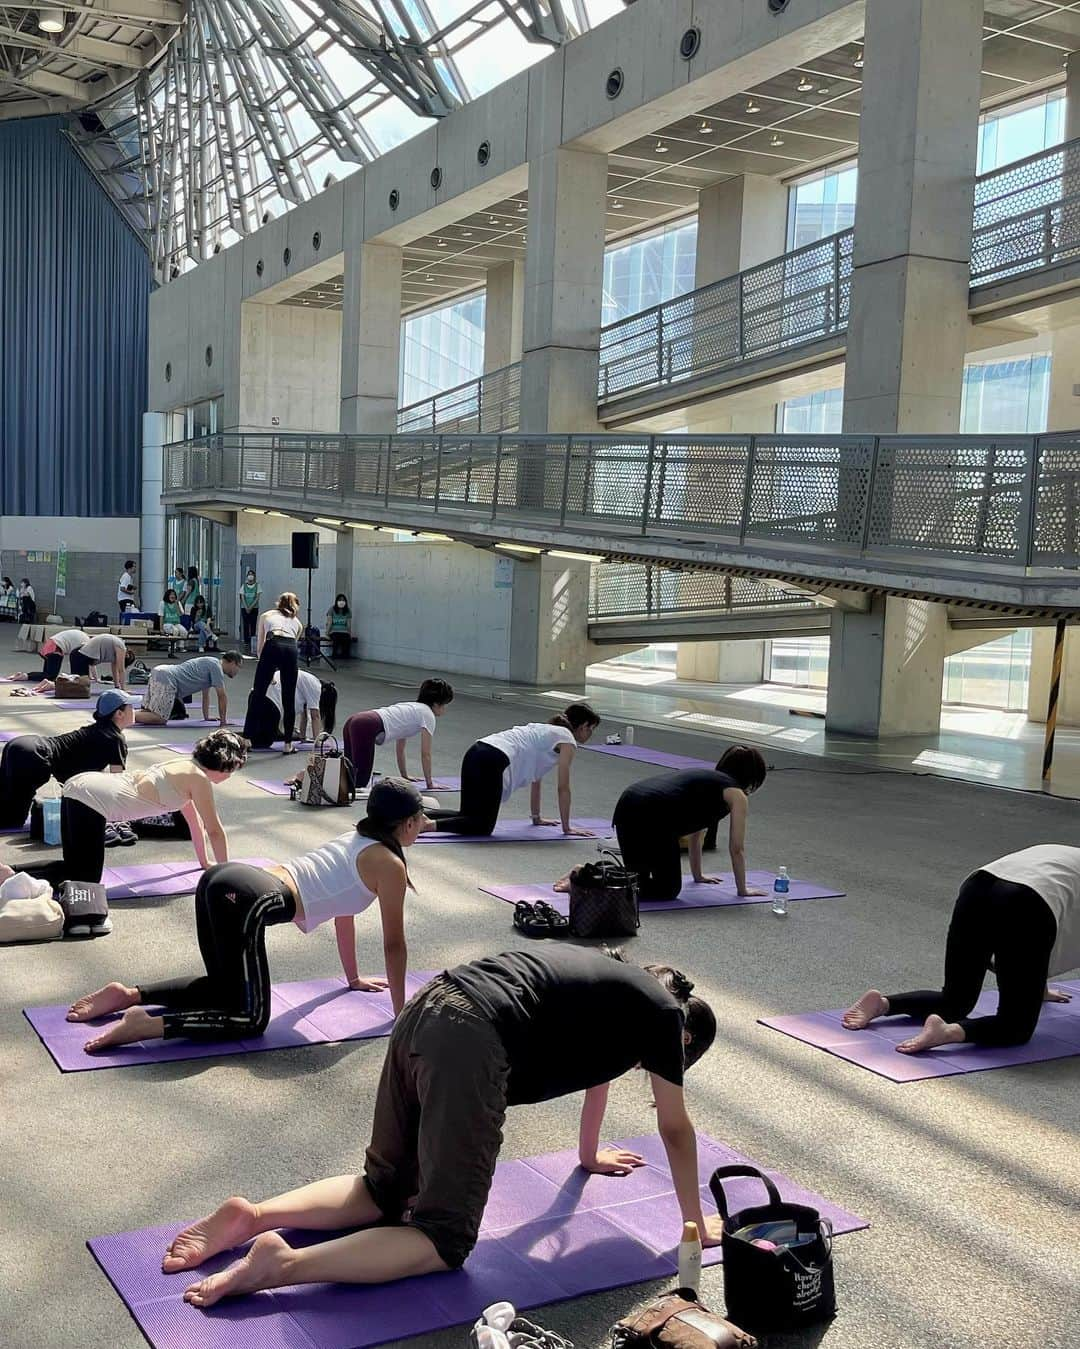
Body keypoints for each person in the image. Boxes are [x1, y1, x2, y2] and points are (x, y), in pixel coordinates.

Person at [150, 946, 718, 1308]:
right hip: (473, 1043)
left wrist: (589, 1155)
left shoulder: (615, 986)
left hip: (432, 1006)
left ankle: (254, 1215)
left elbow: (599, 1076)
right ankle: (284, 1265)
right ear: (685, 1040)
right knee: (443, 1238)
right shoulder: (664, 1018)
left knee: (384, 1189)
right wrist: (694, 1224)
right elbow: (676, 1128)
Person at [64, 777, 424, 1054]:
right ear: (407, 823)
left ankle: (129, 994)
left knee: (225, 989)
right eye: (421, 819)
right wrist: (401, 1015)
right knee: (249, 1019)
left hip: (225, 880)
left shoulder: (358, 837)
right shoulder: (389, 865)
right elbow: (394, 945)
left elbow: (344, 913)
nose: (424, 825)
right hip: (252, 899)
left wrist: (354, 978)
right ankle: (149, 1025)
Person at [843, 844, 1080, 1054]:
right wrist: (1030, 982)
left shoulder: (1066, 854)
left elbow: (1059, 907)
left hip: (978, 887)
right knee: (1016, 1027)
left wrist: (1036, 986)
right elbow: (1051, 928)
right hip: (1026, 904)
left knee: (955, 1000)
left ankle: (882, 1004)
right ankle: (947, 1032)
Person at [9, 730, 246, 888]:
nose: (232, 775)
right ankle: (9, 876)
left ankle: (8, 872)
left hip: (82, 786)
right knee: (85, 877)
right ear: (226, 764)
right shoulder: (198, 779)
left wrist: (206, 863)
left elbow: (197, 825)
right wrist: (226, 877)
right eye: (234, 768)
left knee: (75, 868)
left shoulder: (185, 768)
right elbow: (215, 830)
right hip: (92, 799)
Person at [596, 746, 769, 902]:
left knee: (635, 880)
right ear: (752, 777)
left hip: (628, 805)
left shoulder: (707, 781)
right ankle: (593, 881)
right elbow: (737, 848)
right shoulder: (736, 794)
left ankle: (587, 876)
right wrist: (742, 890)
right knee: (666, 890)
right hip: (653, 817)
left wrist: (698, 875)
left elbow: (696, 835)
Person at [426, 704, 600, 838]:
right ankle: (424, 825)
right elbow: (563, 787)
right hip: (493, 758)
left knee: (467, 815)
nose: (590, 734)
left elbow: (536, 779)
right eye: (591, 729)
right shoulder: (567, 739)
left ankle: (412, 816)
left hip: (477, 751)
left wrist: (536, 817)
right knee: (481, 826)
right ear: (584, 726)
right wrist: (567, 827)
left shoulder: (546, 731)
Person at [0, 690, 133, 830]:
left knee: (5, 797)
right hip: (34, 755)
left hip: (22, 744)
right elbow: (116, 781)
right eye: (131, 707)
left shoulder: (97, 730)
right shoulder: (115, 738)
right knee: (12, 820)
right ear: (119, 713)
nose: (135, 710)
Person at [342, 679, 454, 791]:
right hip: (365, 725)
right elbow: (426, 754)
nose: (445, 710)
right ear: (436, 704)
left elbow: (400, 749)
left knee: (347, 773)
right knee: (359, 782)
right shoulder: (428, 715)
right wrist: (430, 783)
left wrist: (404, 775)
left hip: (354, 720)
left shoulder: (411, 708)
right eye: (444, 705)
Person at [246, 593, 304, 755]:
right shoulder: (298, 623)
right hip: (290, 648)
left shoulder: (266, 615)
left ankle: (247, 738)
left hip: (273, 644)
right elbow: (292, 643)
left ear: (278, 603)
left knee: (258, 693)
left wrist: (266, 670)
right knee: (288, 697)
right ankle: (287, 744)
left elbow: (261, 644)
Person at [134, 652, 244, 726]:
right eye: (239, 667)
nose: (238, 671)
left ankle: (125, 713)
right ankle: (122, 716)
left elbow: (206, 695)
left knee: (149, 712)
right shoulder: (217, 668)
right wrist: (223, 723)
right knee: (160, 718)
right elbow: (222, 696)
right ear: (232, 662)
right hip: (168, 677)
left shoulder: (211, 662)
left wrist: (206, 717)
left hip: (161, 671)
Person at [244, 670, 338, 749]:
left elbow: (304, 716)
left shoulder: (308, 681)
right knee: (262, 742)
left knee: (254, 733)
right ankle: (238, 740)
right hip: (269, 702)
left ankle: (242, 737)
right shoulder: (316, 687)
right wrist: (317, 743)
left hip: (254, 695)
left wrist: (302, 737)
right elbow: (315, 717)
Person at [3, 627, 90, 690]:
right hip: (56, 648)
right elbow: (88, 660)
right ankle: (25, 676)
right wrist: (91, 677)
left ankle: (24, 675)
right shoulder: (87, 644)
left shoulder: (83, 637)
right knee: (51, 676)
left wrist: (92, 677)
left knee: (46, 674)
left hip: (49, 644)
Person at [70, 633, 134, 691]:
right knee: (79, 687)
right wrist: (123, 689)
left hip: (79, 654)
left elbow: (115, 669)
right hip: (80, 655)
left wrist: (117, 687)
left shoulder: (117, 644)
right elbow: (121, 670)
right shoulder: (121, 647)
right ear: (127, 655)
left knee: (80, 686)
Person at [238, 570, 261, 652]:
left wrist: (251, 607)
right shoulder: (243, 586)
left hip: (254, 608)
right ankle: (246, 641)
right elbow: (242, 597)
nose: (250, 576)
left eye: (252, 575)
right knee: (246, 624)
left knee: (253, 624)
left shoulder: (257, 586)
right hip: (244, 608)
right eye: (249, 575)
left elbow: (257, 598)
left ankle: (252, 640)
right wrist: (246, 607)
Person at [325, 594, 352, 661]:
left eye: (343, 600)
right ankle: (335, 656)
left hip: (344, 631)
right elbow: (329, 622)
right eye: (340, 600)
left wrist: (350, 633)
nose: (341, 601)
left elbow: (348, 624)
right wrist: (327, 633)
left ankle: (345, 657)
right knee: (336, 639)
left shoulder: (348, 611)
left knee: (346, 639)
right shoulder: (332, 609)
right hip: (334, 631)